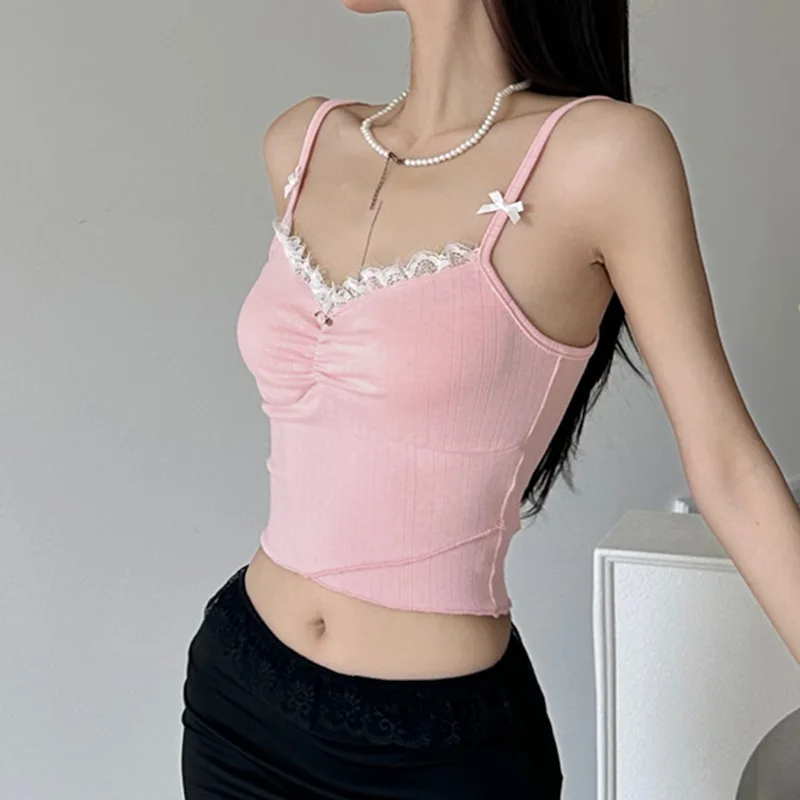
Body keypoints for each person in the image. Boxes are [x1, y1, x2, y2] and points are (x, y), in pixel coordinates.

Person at [180, 1, 800, 797]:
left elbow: (729, 469)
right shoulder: (302, 141)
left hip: (437, 754)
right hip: (241, 698)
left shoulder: (603, 157)